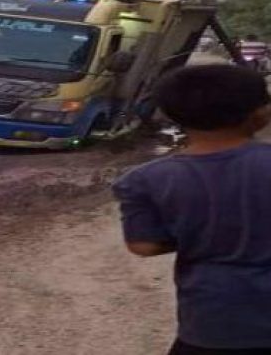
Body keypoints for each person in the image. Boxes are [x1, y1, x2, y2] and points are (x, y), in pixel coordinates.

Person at [112, 65, 271, 354]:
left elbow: (143, 245)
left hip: (213, 320)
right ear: (258, 114)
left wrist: (197, 233)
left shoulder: (142, 180)